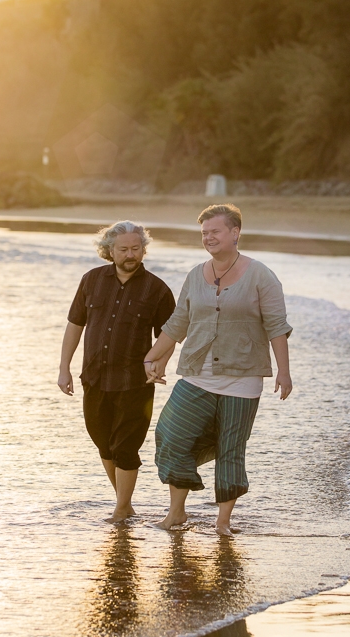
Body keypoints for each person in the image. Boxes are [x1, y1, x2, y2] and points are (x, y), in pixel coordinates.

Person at [144, 203, 292, 536]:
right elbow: (178, 321)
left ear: (235, 233)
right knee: (170, 436)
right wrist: (150, 357)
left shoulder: (260, 275)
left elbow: (277, 326)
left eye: (215, 231)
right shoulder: (196, 274)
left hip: (244, 378)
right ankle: (176, 513)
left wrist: (284, 371)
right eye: (204, 233)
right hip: (197, 373)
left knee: (230, 449)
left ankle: (223, 522)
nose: (209, 238)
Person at [58, 221, 175, 523]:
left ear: (143, 249)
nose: (130, 254)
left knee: (125, 446)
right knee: (103, 443)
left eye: (136, 248)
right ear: (109, 250)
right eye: (123, 249)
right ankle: (124, 503)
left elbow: (169, 336)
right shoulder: (91, 280)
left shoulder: (157, 289)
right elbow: (75, 325)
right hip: (94, 377)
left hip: (134, 382)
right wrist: (64, 368)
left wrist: (158, 364)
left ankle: (122, 508)